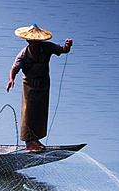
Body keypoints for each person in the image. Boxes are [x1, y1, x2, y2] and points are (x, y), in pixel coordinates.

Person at [6, 24, 72, 153]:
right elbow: (14, 68)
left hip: (43, 83)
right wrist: (11, 79)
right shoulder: (24, 54)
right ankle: (28, 142)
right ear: (28, 41)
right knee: (28, 112)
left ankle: (36, 140)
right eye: (32, 42)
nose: (35, 45)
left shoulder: (47, 47)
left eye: (37, 42)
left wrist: (68, 46)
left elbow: (63, 50)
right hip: (29, 85)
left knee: (40, 112)